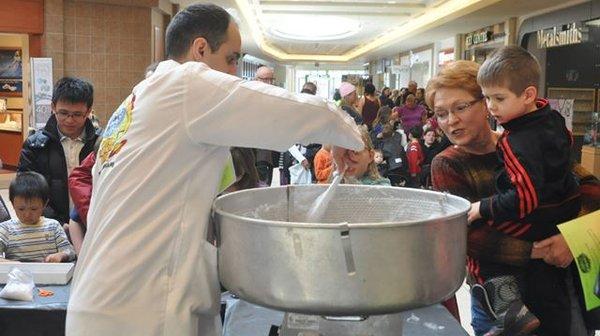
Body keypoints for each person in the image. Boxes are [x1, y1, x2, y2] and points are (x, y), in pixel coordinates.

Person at [66, 4, 363, 336]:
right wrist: (344, 131)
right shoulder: (185, 83)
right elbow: (280, 111)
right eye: (232, 59)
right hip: (136, 308)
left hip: (102, 299)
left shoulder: (140, 98)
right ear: (200, 49)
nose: (235, 74)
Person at [428, 60, 596, 336]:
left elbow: (588, 188)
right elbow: (466, 236)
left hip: (559, 279)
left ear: (487, 103)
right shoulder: (447, 164)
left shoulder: (525, 144)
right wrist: (537, 250)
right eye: (441, 113)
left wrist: (570, 239)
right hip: (502, 298)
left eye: (460, 108)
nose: (451, 121)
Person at [467, 46, 581, 335]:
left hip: (539, 214)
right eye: (486, 98)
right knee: (552, 296)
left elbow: (524, 199)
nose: (491, 106)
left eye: (499, 98)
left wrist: (483, 207)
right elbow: (568, 151)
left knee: (487, 230)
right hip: (565, 205)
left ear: (528, 95)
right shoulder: (552, 118)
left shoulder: (515, 140)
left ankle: (507, 304)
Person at [18, 77, 101, 225]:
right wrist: (55, 224)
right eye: (63, 113)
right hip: (48, 226)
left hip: (93, 223)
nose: (69, 120)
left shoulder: (101, 143)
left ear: (88, 111)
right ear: (53, 107)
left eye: (77, 114)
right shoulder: (34, 145)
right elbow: (28, 190)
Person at [0, 172, 75, 262]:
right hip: (17, 274)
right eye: (21, 209)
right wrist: (11, 264)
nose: (27, 214)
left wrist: (61, 255)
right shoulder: (6, 229)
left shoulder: (53, 226)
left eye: (33, 209)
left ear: (45, 204)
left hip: (48, 274)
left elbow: (70, 251)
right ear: (12, 204)